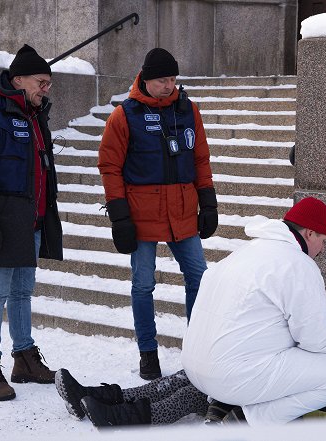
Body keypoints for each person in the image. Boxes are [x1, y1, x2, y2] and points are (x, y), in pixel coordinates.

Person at [180, 197, 326, 425]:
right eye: (323, 241)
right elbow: (314, 340)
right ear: (309, 233)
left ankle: (223, 404)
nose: (322, 250)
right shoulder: (298, 264)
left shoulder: (248, 250)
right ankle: (245, 420)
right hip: (230, 377)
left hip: (196, 368)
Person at [97, 47, 218, 380]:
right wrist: (119, 215)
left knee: (200, 277)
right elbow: (109, 165)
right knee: (142, 284)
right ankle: (147, 353)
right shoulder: (125, 115)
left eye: (174, 79)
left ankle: (198, 346)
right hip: (142, 213)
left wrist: (208, 202)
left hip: (182, 211)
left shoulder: (188, 110)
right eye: (163, 80)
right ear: (146, 80)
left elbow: (200, 160)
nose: (170, 85)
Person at [0, 44, 63, 401]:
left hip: (31, 221)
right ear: (17, 80)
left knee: (22, 292)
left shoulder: (35, 115)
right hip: (1, 222)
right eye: (40, 82)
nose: (45, 88)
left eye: (48, 83)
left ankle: (25, 357)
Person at [55, 368, 208, 427]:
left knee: (188, 395)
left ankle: (116, 418)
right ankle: (84, 396)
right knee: (170, 382)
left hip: (227, 401)